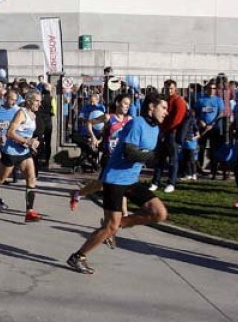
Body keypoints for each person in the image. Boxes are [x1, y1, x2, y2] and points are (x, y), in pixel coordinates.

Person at [67, 93, 169, 275]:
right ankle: (78, 256)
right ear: (151, 107)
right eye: (163, 108)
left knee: (159, 213)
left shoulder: (155, 128)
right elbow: (130, 153)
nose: (166, 112)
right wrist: (153, 157)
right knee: (109, 227)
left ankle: (119, 224)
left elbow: (148, 155)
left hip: (131, 180)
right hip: (114, 179)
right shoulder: (137, 123)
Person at [69, 94, 132, 211]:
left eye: (128, 104)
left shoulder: (129, 120)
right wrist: (93, 137)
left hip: (122, 157)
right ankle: (78, 194)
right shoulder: (108, 117)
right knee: (101, 184)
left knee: (121, 184)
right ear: (118, 103)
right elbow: (89, 123)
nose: (127, 106)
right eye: (125, 103)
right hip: (109, 156)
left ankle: (124, 215)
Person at [0, 90, 43, 221]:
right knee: (1, 179)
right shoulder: (22, 113)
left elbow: (27, 134)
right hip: (11, 152)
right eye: (37, 101)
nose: (39, 103)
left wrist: (32, 144)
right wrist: (27, 141)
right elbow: (10, 132)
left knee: (31, 178)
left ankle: (29, 212)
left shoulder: (33, 115)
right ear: (29, 101)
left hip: (24, 153)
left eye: (40, 101)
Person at [151, 80, 187, 193]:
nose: (169, 90)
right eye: (167, 88)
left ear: (175, 88)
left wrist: (165, 130)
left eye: (171, 88)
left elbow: (177, 120)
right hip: (163, 131)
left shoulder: (179, 101)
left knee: (173, 159)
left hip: (172, 133)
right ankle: (155, 181)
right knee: (159, 158)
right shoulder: (165, 100)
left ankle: (171, 182)